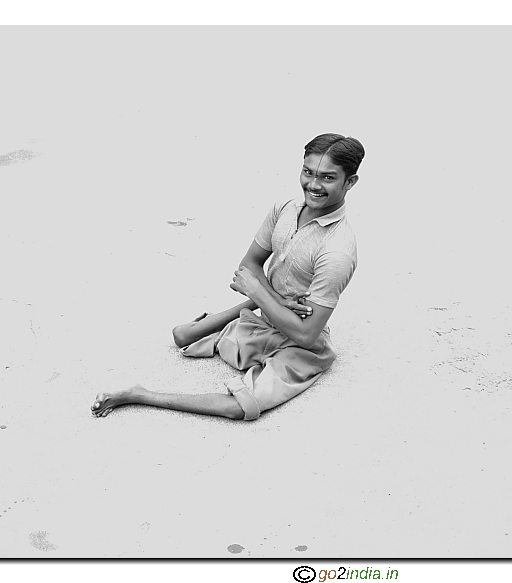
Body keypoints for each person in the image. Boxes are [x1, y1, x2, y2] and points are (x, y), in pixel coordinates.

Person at [91, 133, 365, 420]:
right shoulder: (284, 209)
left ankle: (139, 395)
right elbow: (249, 265)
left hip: (301, 346)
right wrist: (273, 300)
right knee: (182, 336)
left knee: (242, 407)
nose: (313, 185)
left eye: (327, 177)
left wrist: (258, 293)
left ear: (350, 182)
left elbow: (306, 335)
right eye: (308, 172)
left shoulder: (338, 251)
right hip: (265, 321)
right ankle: (248, 315)